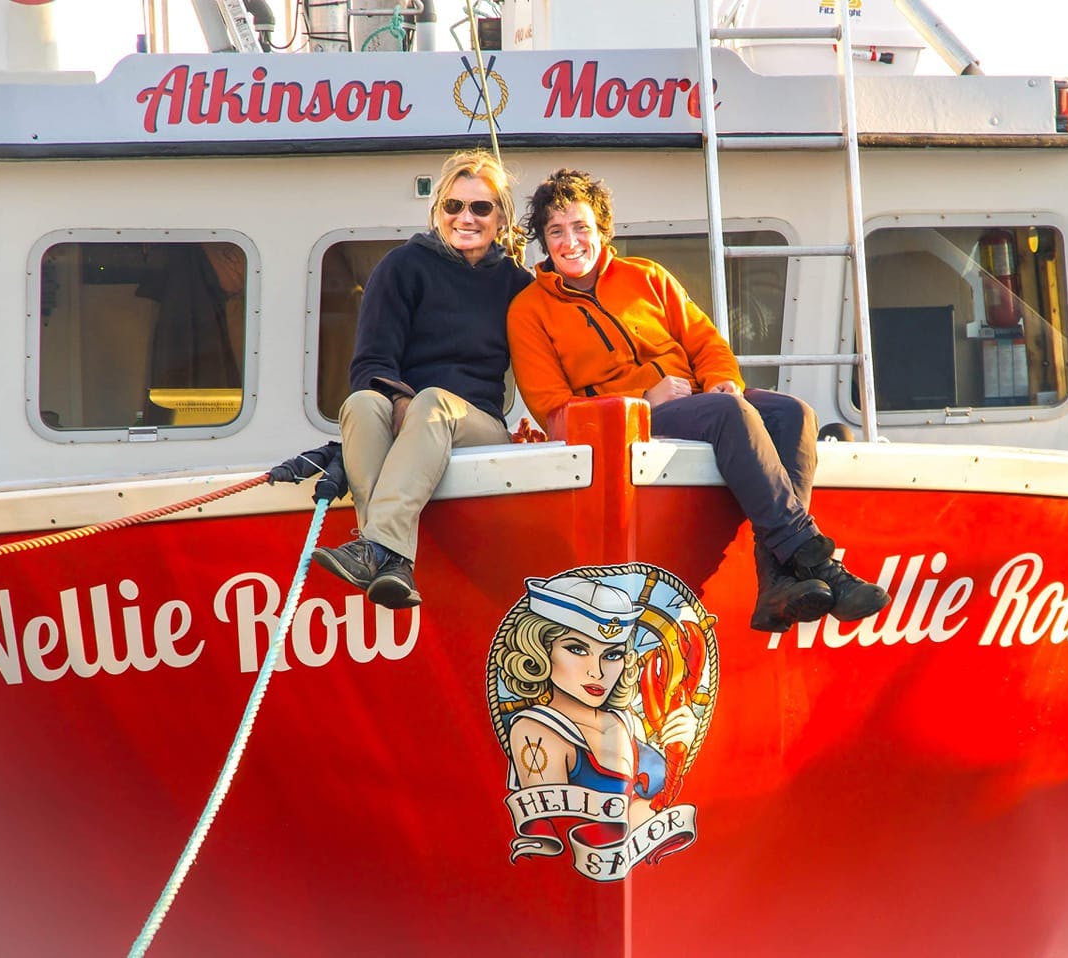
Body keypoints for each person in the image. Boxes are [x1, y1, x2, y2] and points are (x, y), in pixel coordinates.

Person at [507, 169, 890, 632]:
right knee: (729, 412)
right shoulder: (528, 311)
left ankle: (776, 582)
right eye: (556, 231)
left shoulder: (647, 277)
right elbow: (553, 409)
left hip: (699, 401)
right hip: (627, 425)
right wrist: (643, 398)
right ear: (544, 242)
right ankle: (816, 562)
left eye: (581, 227)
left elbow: (706, 342)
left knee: (793, 414)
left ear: (602, 229)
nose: (571, 242)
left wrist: (722, 378)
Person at [312, 150, 533, 608]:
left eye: (480, 207)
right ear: (438, 211)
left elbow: (547, 357)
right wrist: (397, 403)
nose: (464, 217)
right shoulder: (403, 267)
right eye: (453, 206)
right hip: (410, 415)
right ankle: (393, 566)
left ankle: (376, 546)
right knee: (358, 404)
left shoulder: (517, 285)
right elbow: (371, 363)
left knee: (434, 401)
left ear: (500, 218)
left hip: (478, 424)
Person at [495, 573, 697, 829]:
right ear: (541, 651)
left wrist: (680, 746)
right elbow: (559, 832)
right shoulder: (536, 732)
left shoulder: (626, 718)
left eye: (612, 655)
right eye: (577, 649)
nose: (598, 672)